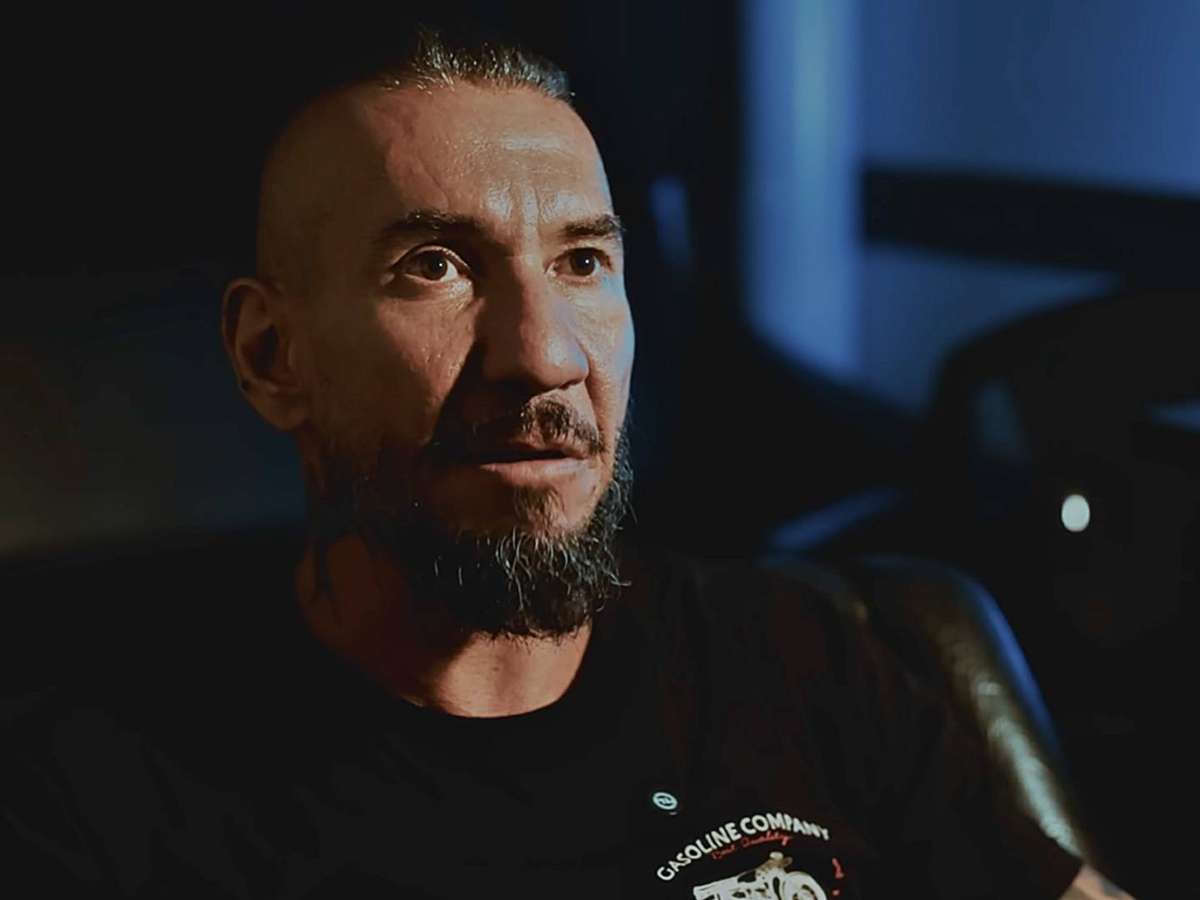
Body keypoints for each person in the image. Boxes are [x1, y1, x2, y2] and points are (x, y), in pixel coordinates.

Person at [1, 27, 1134, 899]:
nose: (544, 356)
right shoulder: (97, 808)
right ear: (270, 355)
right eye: (435, 265)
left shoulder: (800, 658)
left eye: (583, 261)